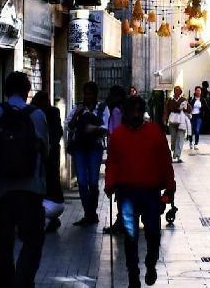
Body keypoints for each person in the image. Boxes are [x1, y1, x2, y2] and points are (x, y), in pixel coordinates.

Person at [0, 71, 50, 288]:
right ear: (27, 92)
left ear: (5, 90)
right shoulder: (37, 115)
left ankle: (5, 284)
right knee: (32, 239)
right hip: (30, 189)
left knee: (2, 244)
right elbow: (45, 150)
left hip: (0, 190)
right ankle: (23, 281)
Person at [105, 95, 175, 288]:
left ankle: (151, 263)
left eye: (138, 111)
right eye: (131, 111)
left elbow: (165, 161)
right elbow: (112, 162)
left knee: (153, 234)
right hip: (126, 193)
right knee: (130, 235)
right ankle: (133, 275)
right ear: (126, 114)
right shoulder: (118, 135)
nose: (135, 115)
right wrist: (110, 183)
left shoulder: (154, 132)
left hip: (151, 192)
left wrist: (170, 187)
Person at [65, 82, 106, 226]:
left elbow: (106, 127)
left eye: (90, 93)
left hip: (95, 147)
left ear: (95, 95)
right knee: (82, 182)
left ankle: (92, 212)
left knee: (93, 182)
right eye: (85, 93)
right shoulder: (77, 108)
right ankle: (88, 213)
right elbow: (69, 126)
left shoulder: (101, 109)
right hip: (80, 148)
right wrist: (77, 114)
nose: (87, 96)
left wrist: (94, 129)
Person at [31, 90, 65, 233]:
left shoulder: (36, 113)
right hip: (51, 152)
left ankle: (47, 218)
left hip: (45, 153)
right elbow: (59, 132)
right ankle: (52, 218)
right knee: (51, 178)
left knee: (46, 179)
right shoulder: (53, 112)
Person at [100, 86, 128, 235]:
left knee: (120, 189)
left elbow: (116, 134)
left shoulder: (116, 112)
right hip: (123, 155)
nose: (108, 97)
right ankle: (122, 219)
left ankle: (121, 221)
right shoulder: (121, 110)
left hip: (118, 156)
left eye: (112, 95)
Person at [164, 86, 189, 162]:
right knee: (174, 138)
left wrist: (184, 109)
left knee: (180, 138)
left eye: (178, 90)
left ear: (181, 92)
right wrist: (165, 119)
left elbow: (188, 109)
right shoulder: (170, 100)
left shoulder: (183, 100)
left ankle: (177, 155)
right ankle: (174, 149)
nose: (177, 92)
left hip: (181, 121)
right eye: (175, 90)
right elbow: (166, 110)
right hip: (172, 120)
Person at [189, 86, 204, 152]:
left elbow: (207, 108)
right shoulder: (192, 99)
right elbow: (188, 106)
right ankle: (191, 142)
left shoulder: (202, 100)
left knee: (197, 130)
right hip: (192, 116)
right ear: (195, 91)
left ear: (201, 92)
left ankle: (196, 144)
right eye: (197, 90)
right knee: (191, 131)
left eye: (199, 91)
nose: (198, 92)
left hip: (198, 116)